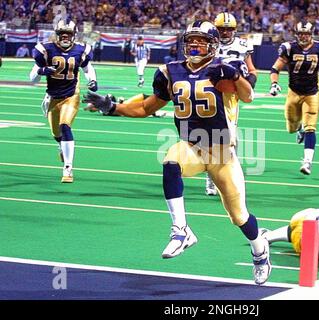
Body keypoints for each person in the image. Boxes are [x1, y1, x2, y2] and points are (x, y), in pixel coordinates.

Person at [82, 20, 271, 285]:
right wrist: (112, 107)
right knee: (171, 161)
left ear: (213, 45)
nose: (194, 44)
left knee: (239, 216)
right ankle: (181, 230)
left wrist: (236, 76)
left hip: (221, 151)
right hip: (192, 146)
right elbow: (146, 108)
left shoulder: (224, 68)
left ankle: (260, 249)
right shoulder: (170, 71)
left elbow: (248, 96)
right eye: (191, 39)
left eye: (201, 41)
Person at [269, 21, 319, 176]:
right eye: (301, 34)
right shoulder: (289, 48)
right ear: (296, 34)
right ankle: (299, 129)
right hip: (293, 92)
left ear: (311, 34)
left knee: (311, 127)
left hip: (312, 93)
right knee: (291, 127)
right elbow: (276, 67)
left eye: (306, 34)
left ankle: (307, 161)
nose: (303, 36)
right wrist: (274, 83)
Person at [29, 19, 98, 183]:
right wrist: (42, 70)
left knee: (65, 126)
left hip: (71, 95)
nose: (65, 37)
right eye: (62, 34)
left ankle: (68, 168)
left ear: (74, 35)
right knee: (56, 133)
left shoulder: (81, 50)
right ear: (57, 34)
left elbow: (87, 68)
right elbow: (32, 79)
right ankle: (61, 145)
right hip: (53, 96)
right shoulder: (45, 50)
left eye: (68, 34)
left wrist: (93, 80)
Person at [200, 12, 259, 197]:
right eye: (222, 29)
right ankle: (213, 178)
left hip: (231, 95)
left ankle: (224, 175)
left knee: (230, 139)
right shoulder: (208, 44)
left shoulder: (242, 45)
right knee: (213, 137)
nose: (225, 32)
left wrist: (248, 83)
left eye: (229, 29)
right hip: (210, 92)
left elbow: (252, 70)